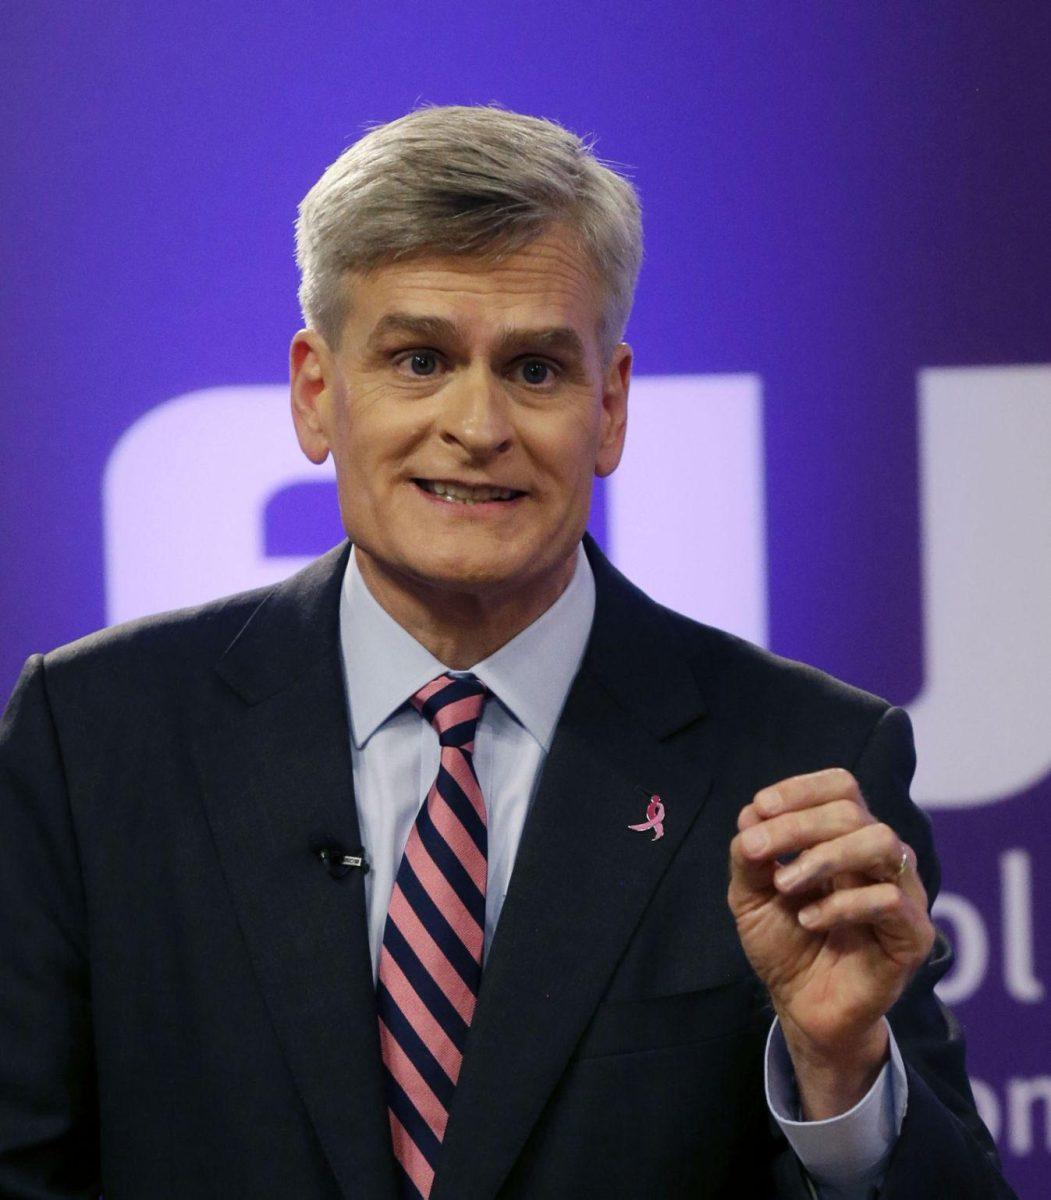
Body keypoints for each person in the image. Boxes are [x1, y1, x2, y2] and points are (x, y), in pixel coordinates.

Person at [0, 106, 1014, 1200]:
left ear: (610, 406)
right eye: (420, 359)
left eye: (534, 370)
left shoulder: (804, 759)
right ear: (315, 390)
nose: (478, 426)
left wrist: (836, 1071)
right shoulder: (92, 735)